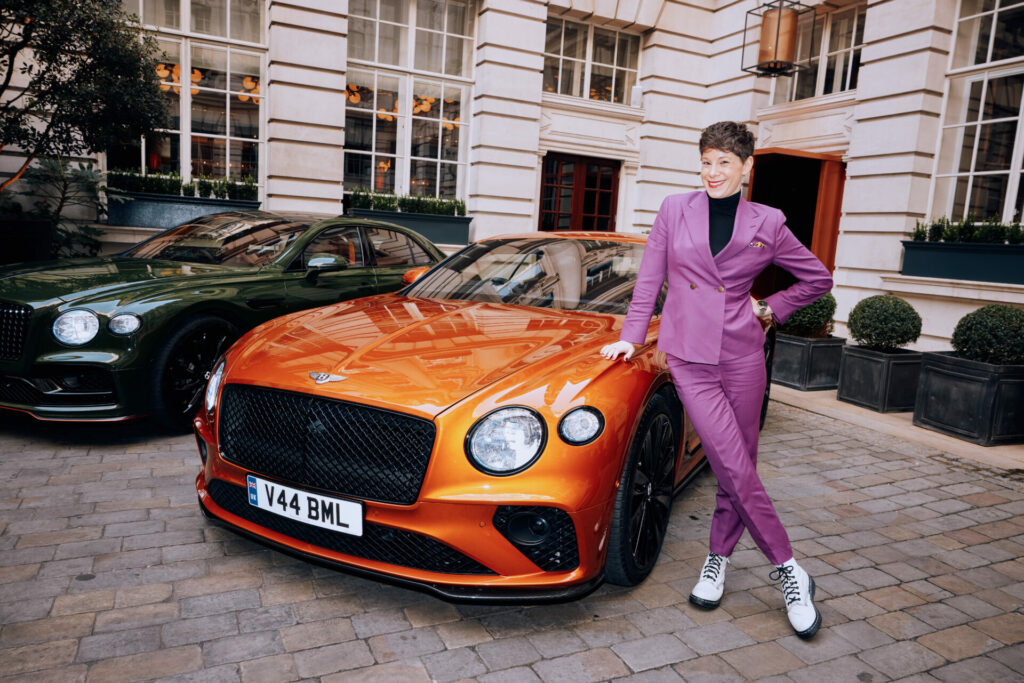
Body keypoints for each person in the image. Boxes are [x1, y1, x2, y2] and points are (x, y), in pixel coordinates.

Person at [600, 121, 833, 639]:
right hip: (688, 356)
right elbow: (650, 280)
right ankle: (789, 570)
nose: (712, 172)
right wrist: (631, 336)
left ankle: (718, 558)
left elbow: (817, 278)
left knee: (739, 463)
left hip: (743, 355)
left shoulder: (768, 221)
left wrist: (771, 307)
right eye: (706, 161)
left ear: (747, 168)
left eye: (724, 162)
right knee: (730, 459)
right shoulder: (673, 209)